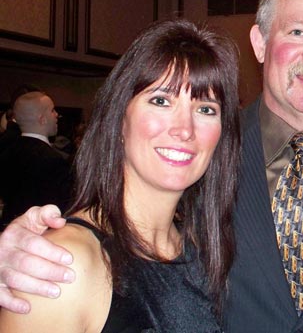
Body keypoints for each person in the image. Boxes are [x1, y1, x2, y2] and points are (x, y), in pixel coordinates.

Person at [0, 0, 303, 333]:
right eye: (298, 33)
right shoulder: (197, 158)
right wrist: (16, 247)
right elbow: (108, 236)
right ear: (259, 42)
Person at [0, 19, 240, 332]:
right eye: (160, 101)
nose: (185, 129)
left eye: (206, 109)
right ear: (120, 122)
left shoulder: (199, 244)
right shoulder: (65, 264)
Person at [0, 91, 73, 227]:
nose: (57, 115)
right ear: (42, 119)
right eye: (52, 110)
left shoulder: (6, 152)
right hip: (40, 233)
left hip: (8, 226)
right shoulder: (54, 161)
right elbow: (61, 210)